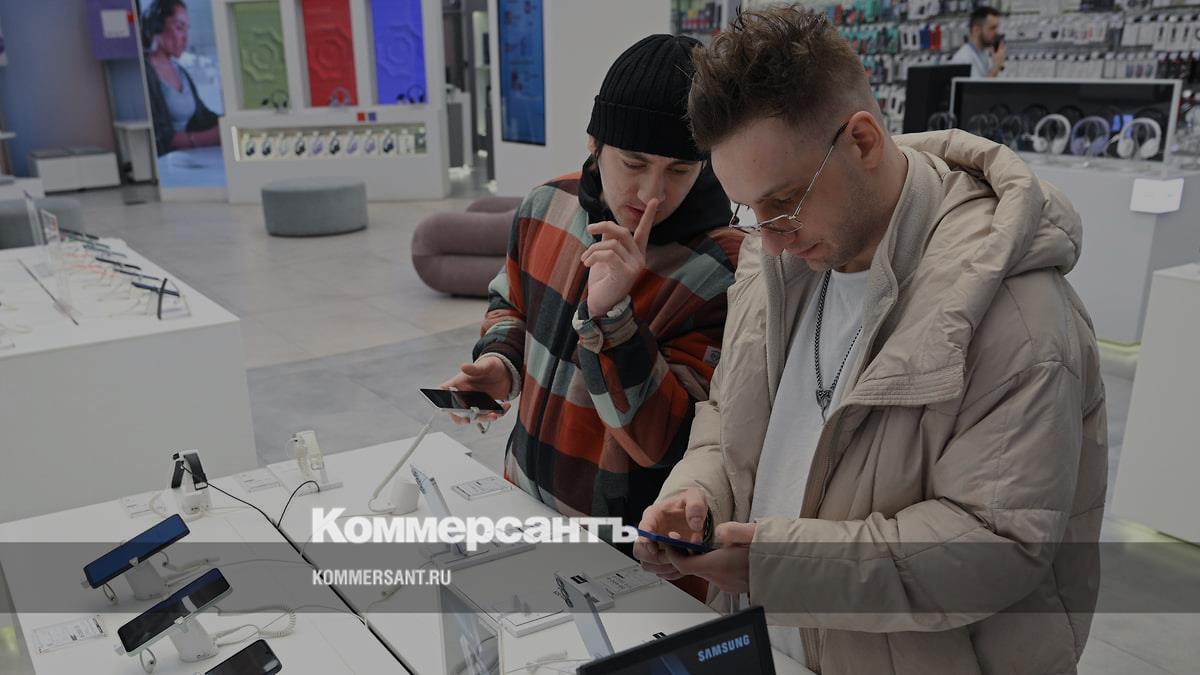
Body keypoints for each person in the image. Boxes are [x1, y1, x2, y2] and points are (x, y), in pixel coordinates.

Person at [633, 7, 1106, 674]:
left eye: (785, 202)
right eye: (748, 210)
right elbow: (728, 418)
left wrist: (778, 566)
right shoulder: (775, 267)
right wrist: (698, 495)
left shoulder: (1017, 313)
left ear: (861, 140)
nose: (770, 238)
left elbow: (997, 545)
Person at [442, 36, 742, 545]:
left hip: (624, 542)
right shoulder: (546, 204)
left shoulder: (723, 266)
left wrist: (613, 318)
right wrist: (501, 363)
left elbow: (667, 444)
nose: (652, 193)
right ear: (594, 142)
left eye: (679, 170)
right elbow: (510, 302)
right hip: (523, 494)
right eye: (634, 163)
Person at [142, 0, 220, 156]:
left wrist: (230, 121)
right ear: (157, 26)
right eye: (179, 28)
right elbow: (160, 137)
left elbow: (203, 116)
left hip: (188, 157)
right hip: (166, 162)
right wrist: (212, 137)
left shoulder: (180, 71)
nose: (185, 38)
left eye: (186, 29)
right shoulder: (145, 71)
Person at [951, 5, 1006, 78]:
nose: (997, 32)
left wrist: (998, 64)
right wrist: (995, 68)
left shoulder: (984, 53)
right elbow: (975, 86)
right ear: (976, 30)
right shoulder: (963, 59)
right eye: (992, 28)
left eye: (997, 28)